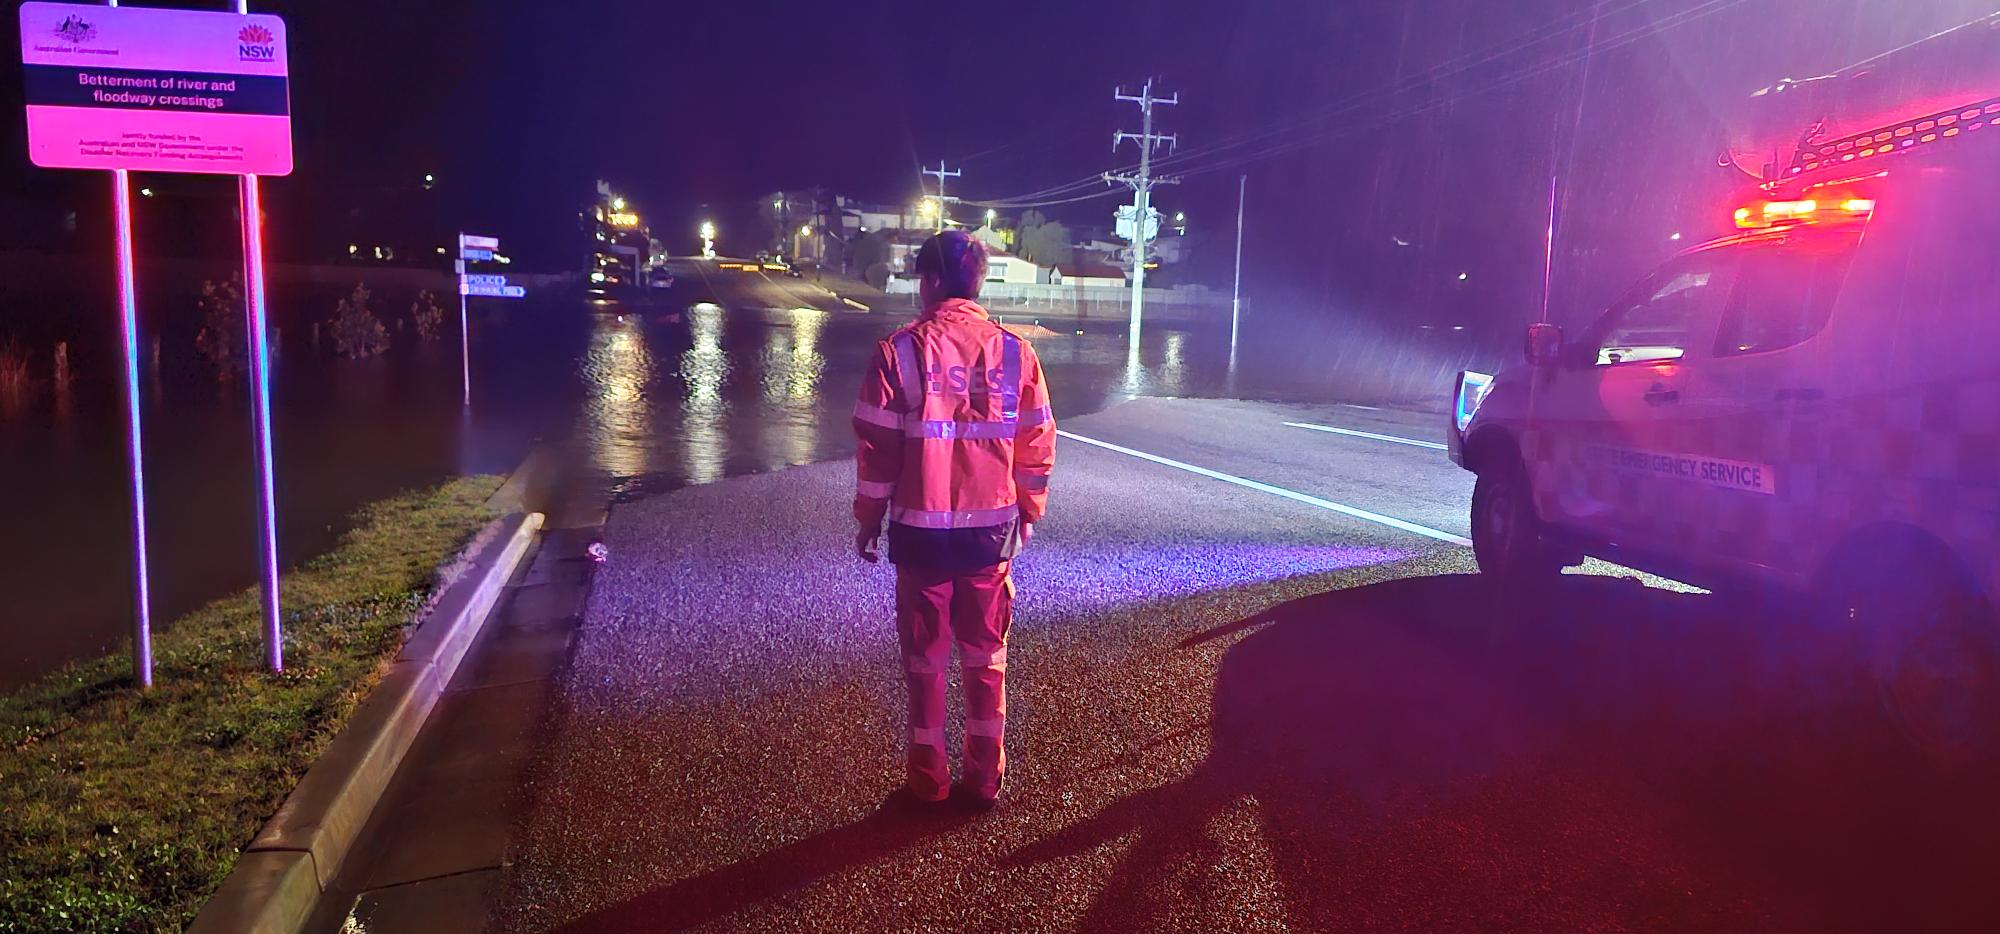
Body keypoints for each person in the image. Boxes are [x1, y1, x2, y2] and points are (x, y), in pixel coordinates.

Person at [852, 230, 1056, 811]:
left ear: (934, 280)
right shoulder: (1017, 352)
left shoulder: (899, 352)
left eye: (922, 276)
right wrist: (1029, 510)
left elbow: (877, 450)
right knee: (987, 658)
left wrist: (868, 519)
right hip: (990, 535)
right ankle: (984, 779)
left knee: (925, 662)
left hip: (921, 536)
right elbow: (1037, 441)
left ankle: (928, 781)